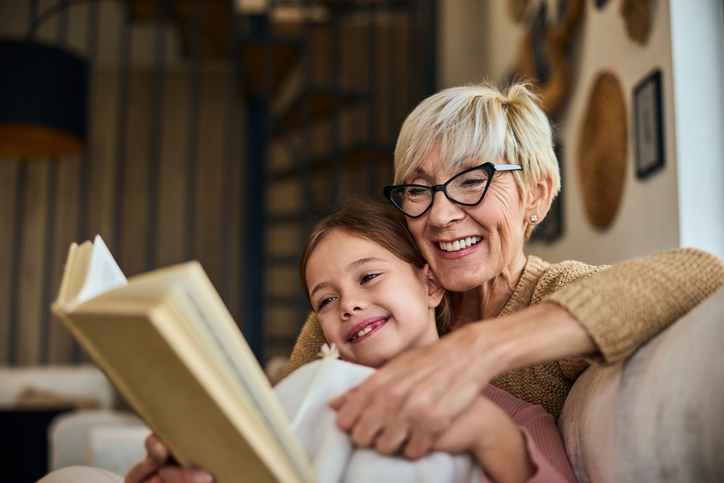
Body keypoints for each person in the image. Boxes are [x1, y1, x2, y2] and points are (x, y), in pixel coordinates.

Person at [282, 81, 724, 461]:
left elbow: (702, 272)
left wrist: (482, 346)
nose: (440, 215)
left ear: (536, 194)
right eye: (419, 189)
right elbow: (278, 426)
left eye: (472, 180)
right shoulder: (366, 308)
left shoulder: (552, 294)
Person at [125, 199, 575, 483]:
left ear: (431, 285)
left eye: (370, 276)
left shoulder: (513, 415)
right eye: (326, 300)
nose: (349, 305)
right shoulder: (317, 397)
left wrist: (486, 431)